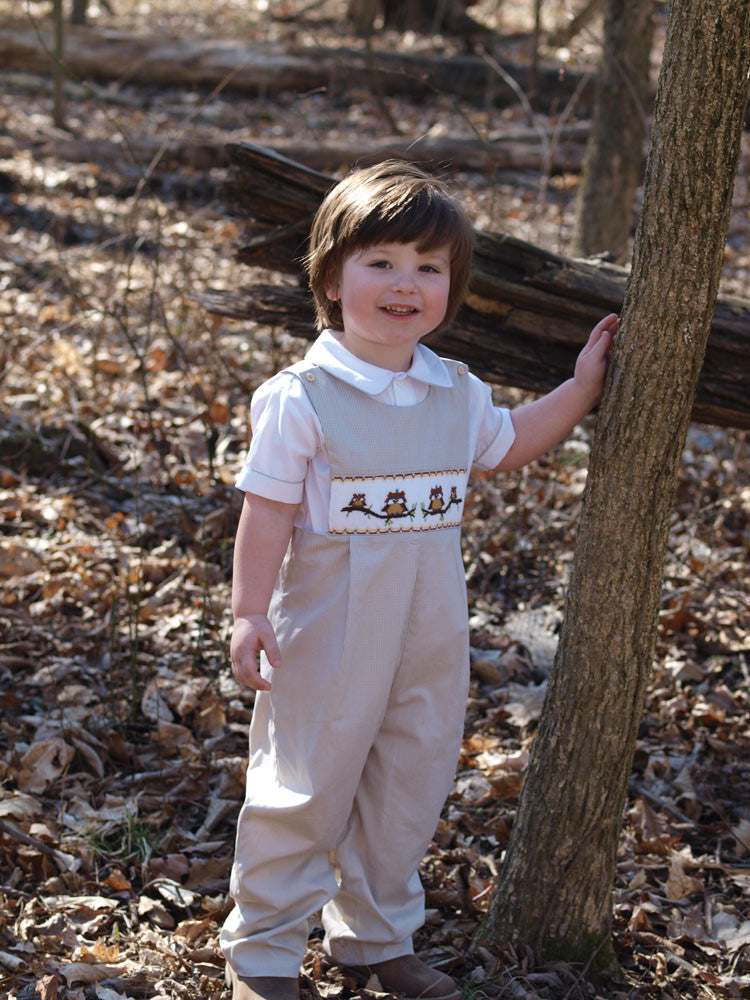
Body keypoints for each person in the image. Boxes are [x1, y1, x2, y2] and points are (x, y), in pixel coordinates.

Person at [220, 160, 618, 1000]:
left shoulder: (455, 389)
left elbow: (508, 443)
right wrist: (249, 611)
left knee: (412, 776)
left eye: (429, 268)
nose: (406, 285)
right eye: (382, 262)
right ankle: (261, 954)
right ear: (332, 277)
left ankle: (373, 939)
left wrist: (581, 390)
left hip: (430, 628)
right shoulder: (303, 397)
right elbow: (265, 512)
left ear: (452, 287)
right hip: (329, 628)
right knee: (306, 784)